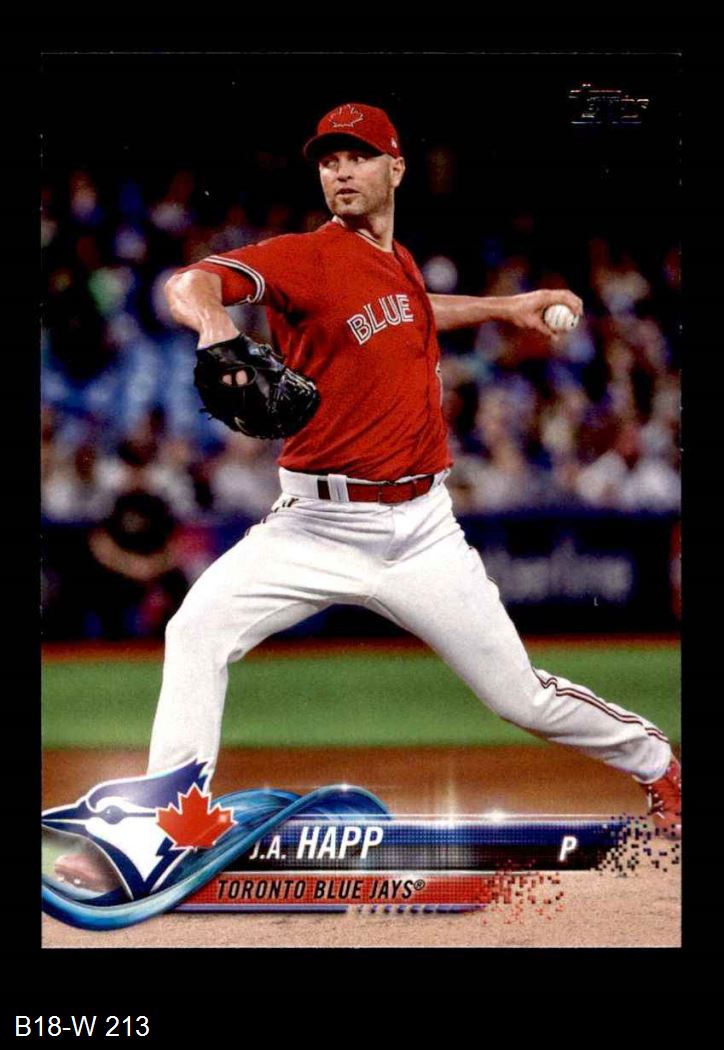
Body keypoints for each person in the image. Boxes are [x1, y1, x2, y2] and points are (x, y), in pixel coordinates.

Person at [54, 103, 680, 889]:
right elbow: (192, 281)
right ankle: (160, 834)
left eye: (357, 156)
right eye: (328, 160)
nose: (340, 171)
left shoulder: (397, 262)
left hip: (423, 530)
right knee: (196, 630)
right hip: (314, 524)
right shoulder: (306, 257)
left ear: (396, 168)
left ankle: (661, 766)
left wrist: (503, 308)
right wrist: (213, 321)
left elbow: (411, 312)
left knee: (520, 696)